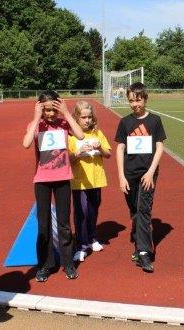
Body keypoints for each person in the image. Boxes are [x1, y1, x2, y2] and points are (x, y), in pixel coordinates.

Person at [22, 91, 84, 282]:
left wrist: (66, 113)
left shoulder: (64, 123)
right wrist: (36, 117)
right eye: (46, 110)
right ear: (40, 108)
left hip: (63, 178)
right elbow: (25, 144)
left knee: (64, 224)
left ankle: (68, 263)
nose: (50, 114)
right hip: (42, 180)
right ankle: (45, 265)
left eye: (53, 110)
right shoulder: (36, 125)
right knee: (44, 224)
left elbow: (80, 135)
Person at [114, 82, 166, 273]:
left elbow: (159, 146)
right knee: (134, 210)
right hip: (129, 173)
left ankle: (144, 251)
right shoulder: (125, 122)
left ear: (145, 99)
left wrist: (151, 172)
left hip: (147, 174)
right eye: (131, 101)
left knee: (144, 209)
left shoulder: (154, 121)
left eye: (138, 100)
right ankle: (139, 241)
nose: (135, 104)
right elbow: (120, 148)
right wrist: (121, 176)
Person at [67, 100, 111, 262]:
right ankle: (81, 245)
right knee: (82, 212)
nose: (87, 120)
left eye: (89, 117)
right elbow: (67, 159)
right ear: (76, 118)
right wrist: (78, 152)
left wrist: (99, 147)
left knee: (93, 210)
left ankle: (92, 237)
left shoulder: (97, 133)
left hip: (96, 179)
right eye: (83, 117)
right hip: (79, 181)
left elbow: (108, 154)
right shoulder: (71, 136)